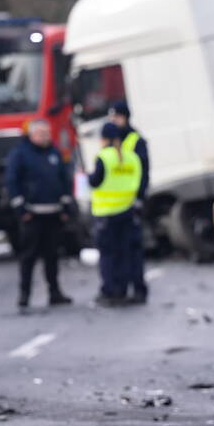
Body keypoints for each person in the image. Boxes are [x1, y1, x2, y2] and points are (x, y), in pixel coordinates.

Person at [5, 118, 74, 308]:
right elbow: (12, 182)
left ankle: (55, 292)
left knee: (52, 256)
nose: (45, 137)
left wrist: (66, 206)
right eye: (41, 134)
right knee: (28, 257)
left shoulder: (54, 153)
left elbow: (64, 180)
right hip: (32, 214)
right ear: (32, 134)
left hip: (53, 212)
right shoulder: (21, 154)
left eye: (47, 133)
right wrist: (21, 208)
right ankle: (24, 294)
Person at [89, 121, 143, 306]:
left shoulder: (104, 158)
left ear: (104, 139)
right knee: (128, 252)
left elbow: (95, 181)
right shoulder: (131, 157)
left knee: (108, 255)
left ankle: (112, 291)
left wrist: (85, 177)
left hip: (106, 213)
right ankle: (134, 288)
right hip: (128, 211)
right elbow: (138, 182)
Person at [109, 100, 149, 303]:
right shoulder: (114, 142)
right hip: (115, 206)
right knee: (119, 250)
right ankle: (122, 289)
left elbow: (143, 173)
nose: (114, 120)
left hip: (131, 204)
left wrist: (139, 199)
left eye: (116, 116)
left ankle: (139, 289)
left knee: (132, 249)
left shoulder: (135, 141)